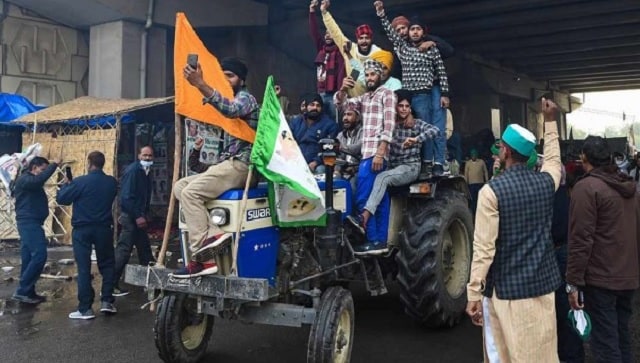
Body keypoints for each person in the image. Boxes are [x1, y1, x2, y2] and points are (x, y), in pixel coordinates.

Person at [465, 98, 562, 362]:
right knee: (542, 353)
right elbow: (553, 161)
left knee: (505, 355)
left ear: (506, 152)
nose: (498, 152)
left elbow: (484, 248)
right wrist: (550, 123)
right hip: (543, 289)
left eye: (500, 148)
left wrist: (473, 293)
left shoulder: (490, 192)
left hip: (506, 293)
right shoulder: (546, 183)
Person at [172, 57, 259, 278]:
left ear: (241, 79)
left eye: (230, 76)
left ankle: (203, 259)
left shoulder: (246, 99)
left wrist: (201, 83)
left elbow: (230, 109)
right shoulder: (226, 101)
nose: (226, 80)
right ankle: (215, 235)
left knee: (191, 193)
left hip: (243, 165)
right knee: (180, 186)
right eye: (223, 76)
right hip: (227, 164)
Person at [566, 136, 639, 363]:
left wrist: (573, 283)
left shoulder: (586, 188)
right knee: (622, 338)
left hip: (601, 280)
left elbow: (580, 240)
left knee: (606, 346)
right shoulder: (630, 186)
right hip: (628, 278)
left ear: (583, 158)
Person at [354, 89, 438, 254]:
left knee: (383, 178)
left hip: (410, 167)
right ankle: (374, 235)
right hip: (393, 166)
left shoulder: (416, 124)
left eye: (407, 106)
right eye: (400, 105)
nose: (404, 109)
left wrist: (416, 139)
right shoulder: (390, 126)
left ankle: (365, 214)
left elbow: (435, 130)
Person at [374, 1, 450, 177]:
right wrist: (381, 13)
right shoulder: (403, 48)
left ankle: (436, 163)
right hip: (410, 95)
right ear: (408, 33)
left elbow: (442, 71)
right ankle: (423, 163)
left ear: (423, 32)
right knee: (415, 128)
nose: (415, 32)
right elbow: (390, 32)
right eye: (412, 29)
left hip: (425, 94)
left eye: (418, 29)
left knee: (432, 128)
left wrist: (445, 93)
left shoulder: (431, 49)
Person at [335, 59, 396, 254]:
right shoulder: (364, 98)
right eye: (367, 75)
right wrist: (343, 89)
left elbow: (389, 125)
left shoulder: (387, 94)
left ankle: (373, 239)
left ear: (381, 76)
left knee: (363, 197)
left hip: (375, 153)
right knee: (380, 198)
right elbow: (342, 105)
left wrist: (381, 151)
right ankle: (381, 241)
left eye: (373, 75)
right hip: (367, 153)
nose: (369, 78)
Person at [56, 151, 118, 320]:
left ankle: (85, 308)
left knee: (83, 268)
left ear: (89, 163)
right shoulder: (111, 183)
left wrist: (67, 185)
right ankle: (107, 301)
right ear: (103, 163)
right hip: (104, 228)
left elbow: (62, 199)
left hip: (82, 229)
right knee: (107, 265)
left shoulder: (80, 182)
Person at [12, 156, 59, 305]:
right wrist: (54, 165)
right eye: (42, 169)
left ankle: (28, 291)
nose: (43, 173)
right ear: (34, 167)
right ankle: (22, 290)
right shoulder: (25, 179)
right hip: (28, 223)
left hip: (32, 222)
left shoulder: (29, 181)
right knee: (40, 255)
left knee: (28, 258)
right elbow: (39, 180)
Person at [551, 167, 585, 362]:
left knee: (561, 308)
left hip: (558, 254)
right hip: (566, 252)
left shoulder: (549, 198)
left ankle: (567, 355)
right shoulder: (569, 197)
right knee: (569, 308)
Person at [112, 145, 155, 297]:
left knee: (145, 250)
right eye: (145, 155)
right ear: (139, 156)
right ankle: (111, 285)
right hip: (131, 218)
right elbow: (126, 198)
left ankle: (151, 283)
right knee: (124, 251)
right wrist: (138, 216)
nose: (147, 158)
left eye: (150, 156)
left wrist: (144, 213)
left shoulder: (145, 171)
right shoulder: (134, 171)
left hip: (137, 216)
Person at [320, 0, 381, 97]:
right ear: (357, 39)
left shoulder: (378, 53)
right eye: (361, 38)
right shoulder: (350, 48)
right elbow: (335, 32)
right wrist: (324, 12)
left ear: (371, 39)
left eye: (367, 38)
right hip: (351, 101)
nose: (364, 41)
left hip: (371, 100)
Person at [309, 0, 345, 120]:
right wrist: (312, 12)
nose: (328, 36)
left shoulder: (339, 51)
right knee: (320, 120)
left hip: (333, 94)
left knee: (334, 121)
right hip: (320, 92)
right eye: (326, 33)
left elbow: (341, 72)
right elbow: (314, 32)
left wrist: (340, 93)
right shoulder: (322, 49)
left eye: (331, 33)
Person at [290, 93, 339, 174]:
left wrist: (315, 163)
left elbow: (330, 149)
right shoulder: (296, 122)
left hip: (318, 164)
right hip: (296, 161)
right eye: (312, 105)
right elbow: (288, 143)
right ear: (305, 107)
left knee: (321, 170)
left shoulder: (329, 124)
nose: (315, 108)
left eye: (318, 105)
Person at [336, 104, 363, 186]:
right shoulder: (340, 135)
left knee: (352, 183)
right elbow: (338, 157)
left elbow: (358, 147)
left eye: (349, 114)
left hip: (358, 170)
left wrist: (341, 147)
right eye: (344, 114)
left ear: (358, 118)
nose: (345, 118)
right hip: (343, 170)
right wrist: (337, 170)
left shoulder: (364, 132)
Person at [464, 148, 488, 216]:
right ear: (471, 156)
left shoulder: (481, 162)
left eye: (474, 155)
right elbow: (466, 174)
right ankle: (473, 213)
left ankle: (481, 212)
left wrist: (487, 181)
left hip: (480, 183)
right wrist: (466, 183)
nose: (473, 156)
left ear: (477, 155)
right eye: (472, 155)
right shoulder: (468, 163)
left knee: (480, 199)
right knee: (473, 200)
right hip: (471, 185)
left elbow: (485, 172)